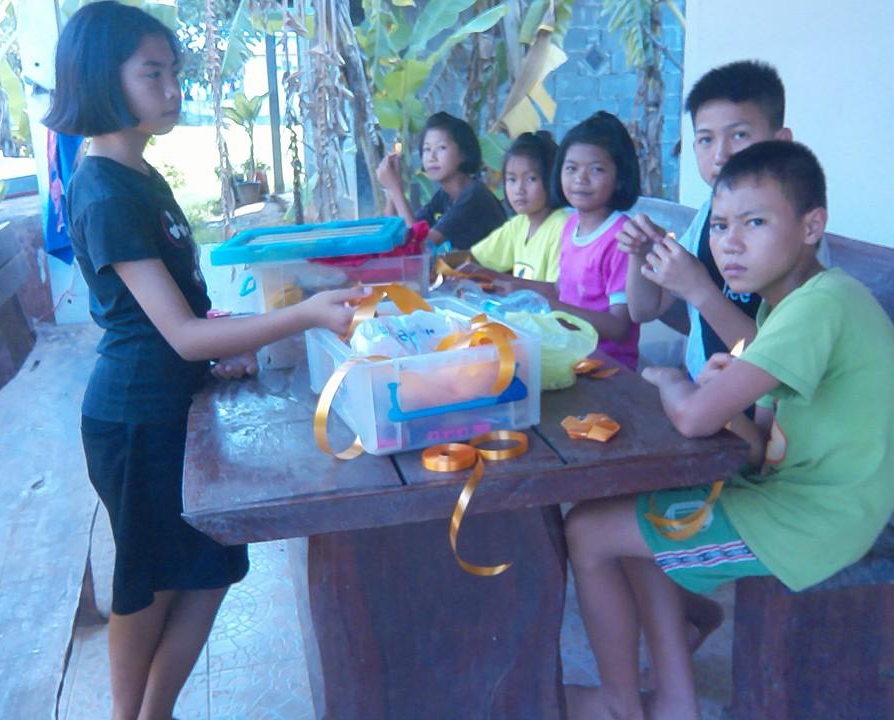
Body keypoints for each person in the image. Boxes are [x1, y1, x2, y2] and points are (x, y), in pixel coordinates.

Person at [43, 4, 361, 719]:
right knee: (150, 584)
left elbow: (180, 317)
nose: (172, 89)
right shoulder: (105, 189)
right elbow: (180, 334)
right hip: (136, 416)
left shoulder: (138, 174)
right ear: (101, 79)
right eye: (152, 74)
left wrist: (228, 342)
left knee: (211, 565)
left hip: (173, 400)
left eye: (174, 73)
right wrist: (306, 313)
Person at [564, 141, 894, 720]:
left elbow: (692, 418)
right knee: (630, 504)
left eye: (755, 223)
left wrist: (672, 381)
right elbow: (755, 446)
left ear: (811, 226)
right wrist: (722, 401)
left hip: (816, 521)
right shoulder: (786, 309)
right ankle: (675, 701)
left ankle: (619, 706)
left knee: (586, 531)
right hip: (804, 497)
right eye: (721, 224)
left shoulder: (820, 307)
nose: (729, 242)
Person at [619, 60, 816, 380]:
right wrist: (641, 253)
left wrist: (699, 289)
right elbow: (644, 309)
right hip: (706, 392)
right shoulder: (706, 219)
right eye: (706, 139)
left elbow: (782, 363)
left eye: (739, 135)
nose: (721, 154)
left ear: (780, 143)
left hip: (764, 408)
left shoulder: (796, 238)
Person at [540, 111, 642, 369]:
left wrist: (553, 309)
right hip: (569, 353)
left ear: (620, 178)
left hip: (607, 367)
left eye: (596, 169)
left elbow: (618, 327)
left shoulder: (623, 238)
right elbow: (562, 291)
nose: (580, 179)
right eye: (571, 168)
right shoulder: (571, 224)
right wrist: (512, 288)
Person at [376, 111, 506, 250]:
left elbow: (420, 245)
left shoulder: (473, 195)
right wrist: (391, 190)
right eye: (427, 149)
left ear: (464, 153)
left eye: (441, 148)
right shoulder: (444, 195)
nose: (432, 157)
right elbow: (396, 234)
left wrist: (395, 189)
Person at [467, 131, 569, 282]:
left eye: (531, 179)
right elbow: (475, 257)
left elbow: (558, 292)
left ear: (551, 179)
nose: (519, 189)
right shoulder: (520, 223)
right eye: (512, 179)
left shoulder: (562, 226)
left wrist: (505, 281)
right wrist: (437, 262)